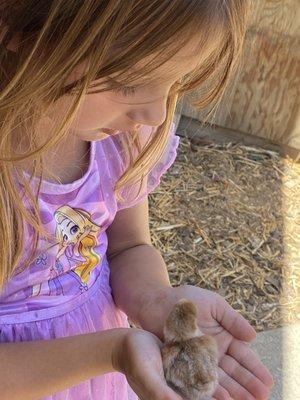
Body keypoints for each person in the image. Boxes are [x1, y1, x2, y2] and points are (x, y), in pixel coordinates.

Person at [0, 1, 274, 400]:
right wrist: (112, 350)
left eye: (175, 82)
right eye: (131, 81)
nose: (156, 113)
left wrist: (159, 305)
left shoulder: (117, 142)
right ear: (16, 27)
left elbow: (128, 246)